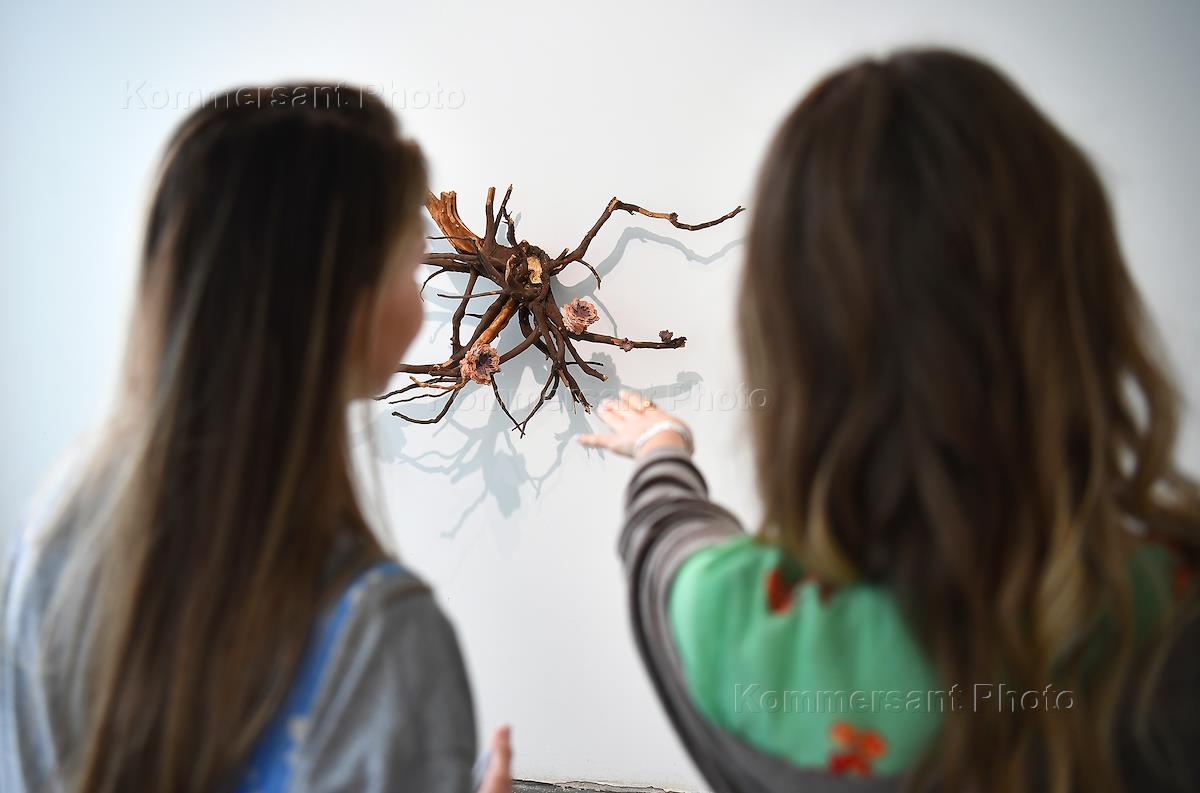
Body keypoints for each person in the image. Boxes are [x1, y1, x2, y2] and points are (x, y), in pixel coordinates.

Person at [579, 48, 1200, 793]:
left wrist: (661, 447)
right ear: (1084, 315)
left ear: (788, 348)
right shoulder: (1172, 612)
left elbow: (665, 538)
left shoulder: (727, 625)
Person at [1, 83, 511, 793]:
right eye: (409, 264)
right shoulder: (383, 638)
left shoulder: (57, 535)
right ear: (344, 303)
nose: (421, 305)